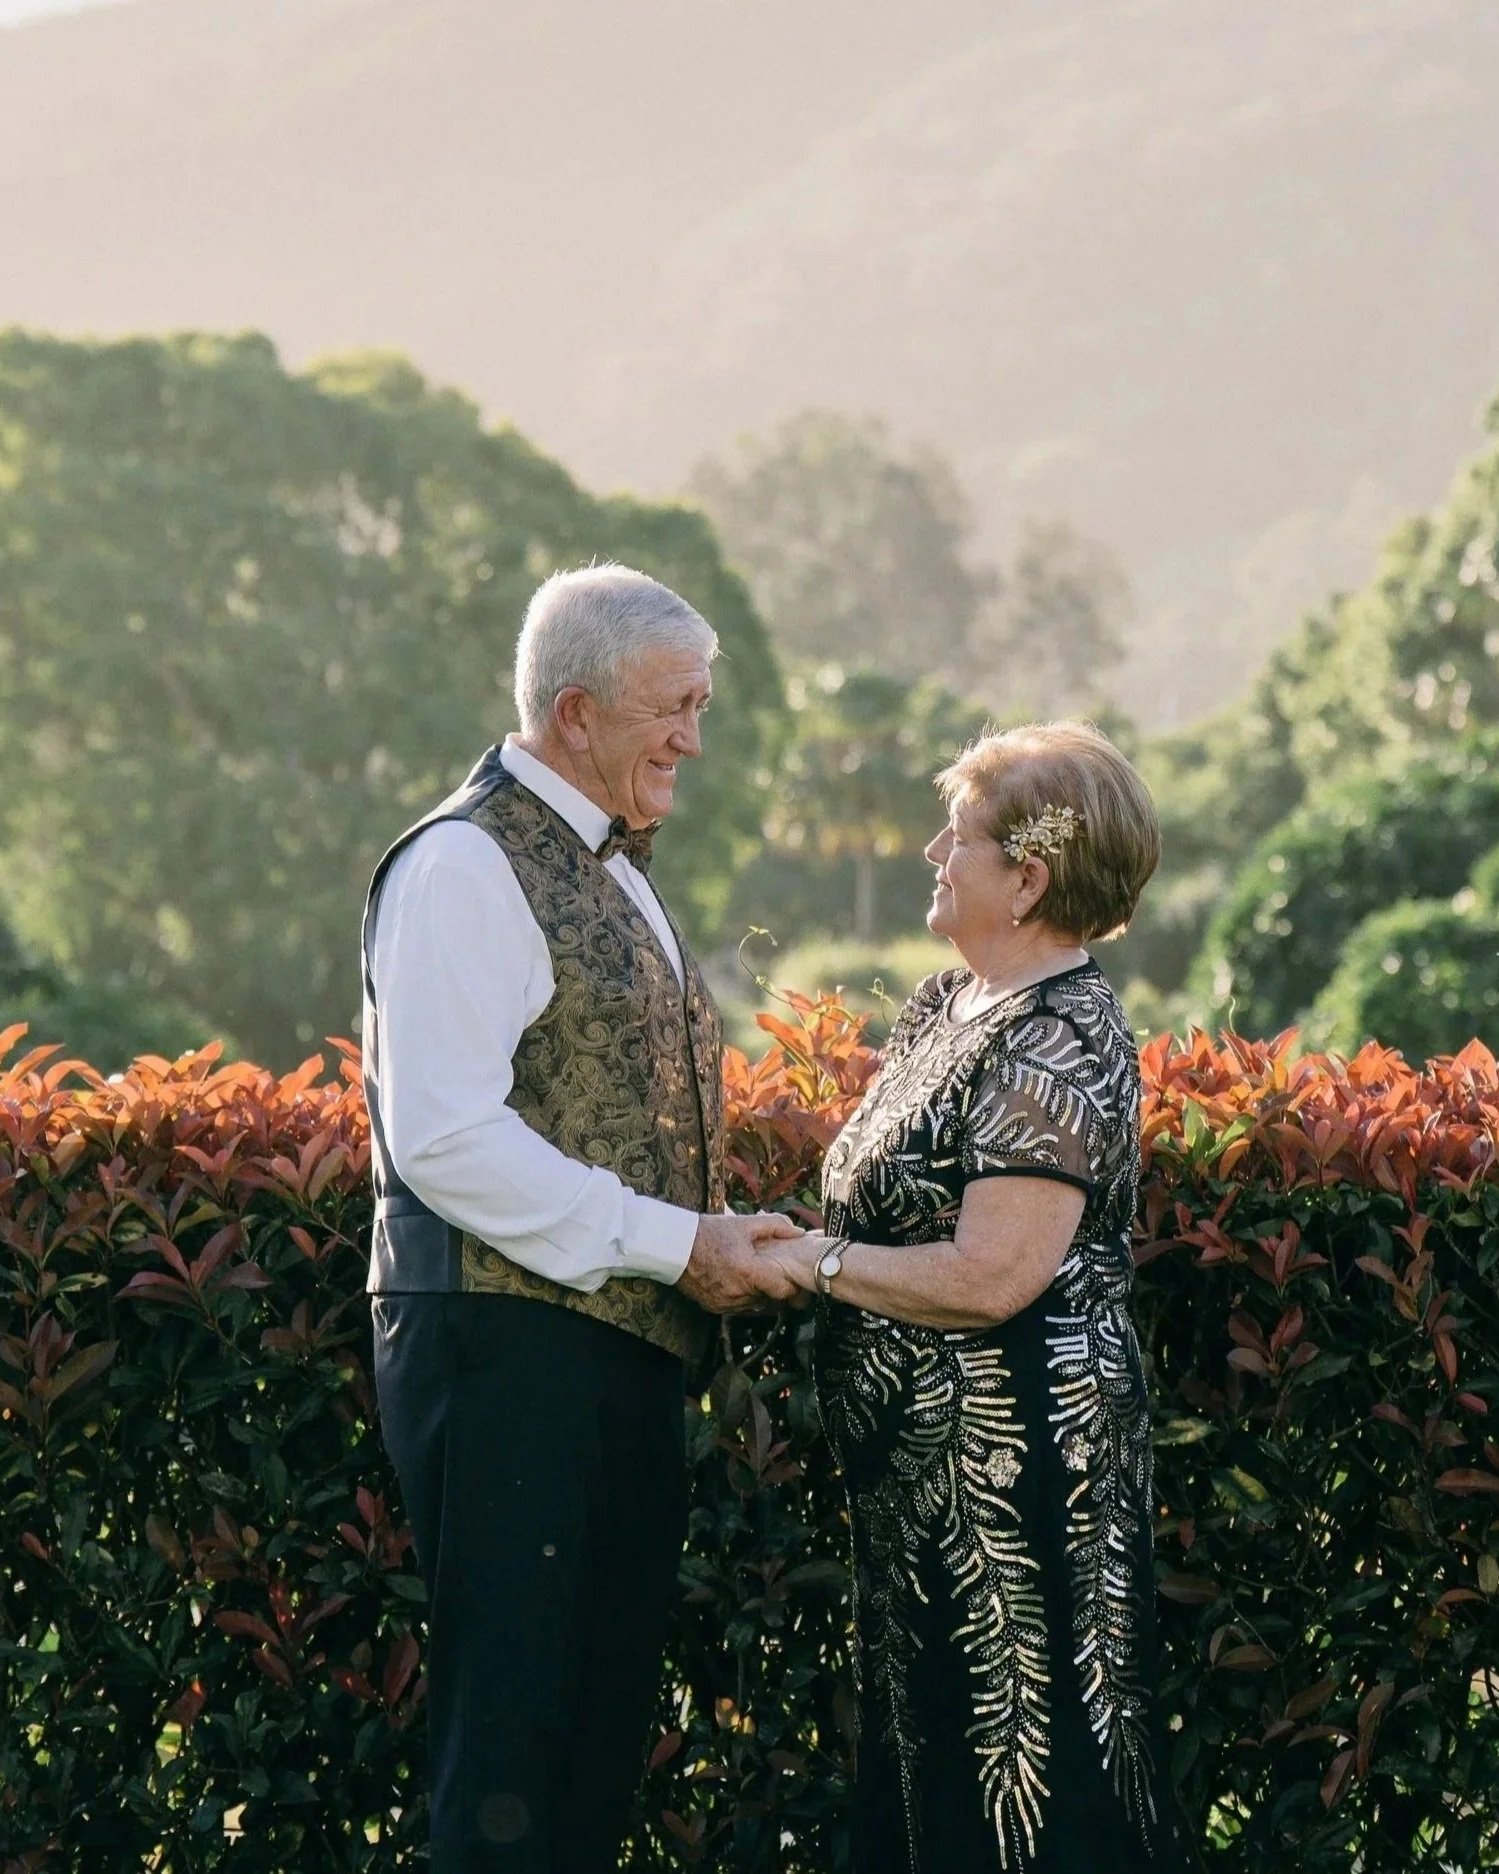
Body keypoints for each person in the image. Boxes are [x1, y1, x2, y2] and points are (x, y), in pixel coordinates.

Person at [359, 564, 800, 1874]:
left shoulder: (619, 869)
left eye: (699, 705)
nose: (692, 739)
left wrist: (716, 1236)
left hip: (609, 1351)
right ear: (573, 709)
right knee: (512, 1743)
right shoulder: (462, 864)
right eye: (672, 707)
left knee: (592, 1738)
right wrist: (679, 1243)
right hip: (502, 1355)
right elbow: (441, 1136)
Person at [757, 721, 1183, 1873]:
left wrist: (820, 1266)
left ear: (1029, 876)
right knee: (923, 1763)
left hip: (1018, 1486)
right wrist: (802, 1240)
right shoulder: (945, 1000)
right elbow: (883, 1204)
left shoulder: (1059, 1038)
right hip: (913, 1483)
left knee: (1021, 1766)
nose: (932, 853)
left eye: (959, 836)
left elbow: (995, 1273)